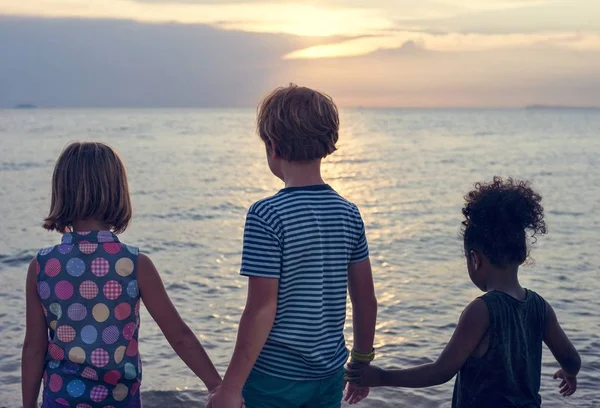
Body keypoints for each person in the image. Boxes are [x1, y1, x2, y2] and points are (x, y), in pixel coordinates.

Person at [208, 84, 378, 408]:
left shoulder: (267, 215)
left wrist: (230, 387)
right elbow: (365, 300)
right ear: (327, 143)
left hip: (274, 378)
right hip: (328, 374)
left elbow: (261, 309)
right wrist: (361, 362)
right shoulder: (349, 213)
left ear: (272, 147)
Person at [346, 177, 581, 407]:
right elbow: (572, 359)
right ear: (521, 255)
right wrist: (569, 373)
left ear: (475, 259)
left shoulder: (482, 310)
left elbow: (440, 372)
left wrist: (382, 377)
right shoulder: (541, 307)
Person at [21, 142, 222, 407]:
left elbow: (34, 348)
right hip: (119, 400)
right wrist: (217, 385)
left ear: (61, 192)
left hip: (61, 399)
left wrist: (27, 404)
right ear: (117, 192)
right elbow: (178, 335)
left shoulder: (42, 266)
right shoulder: (134, 264)